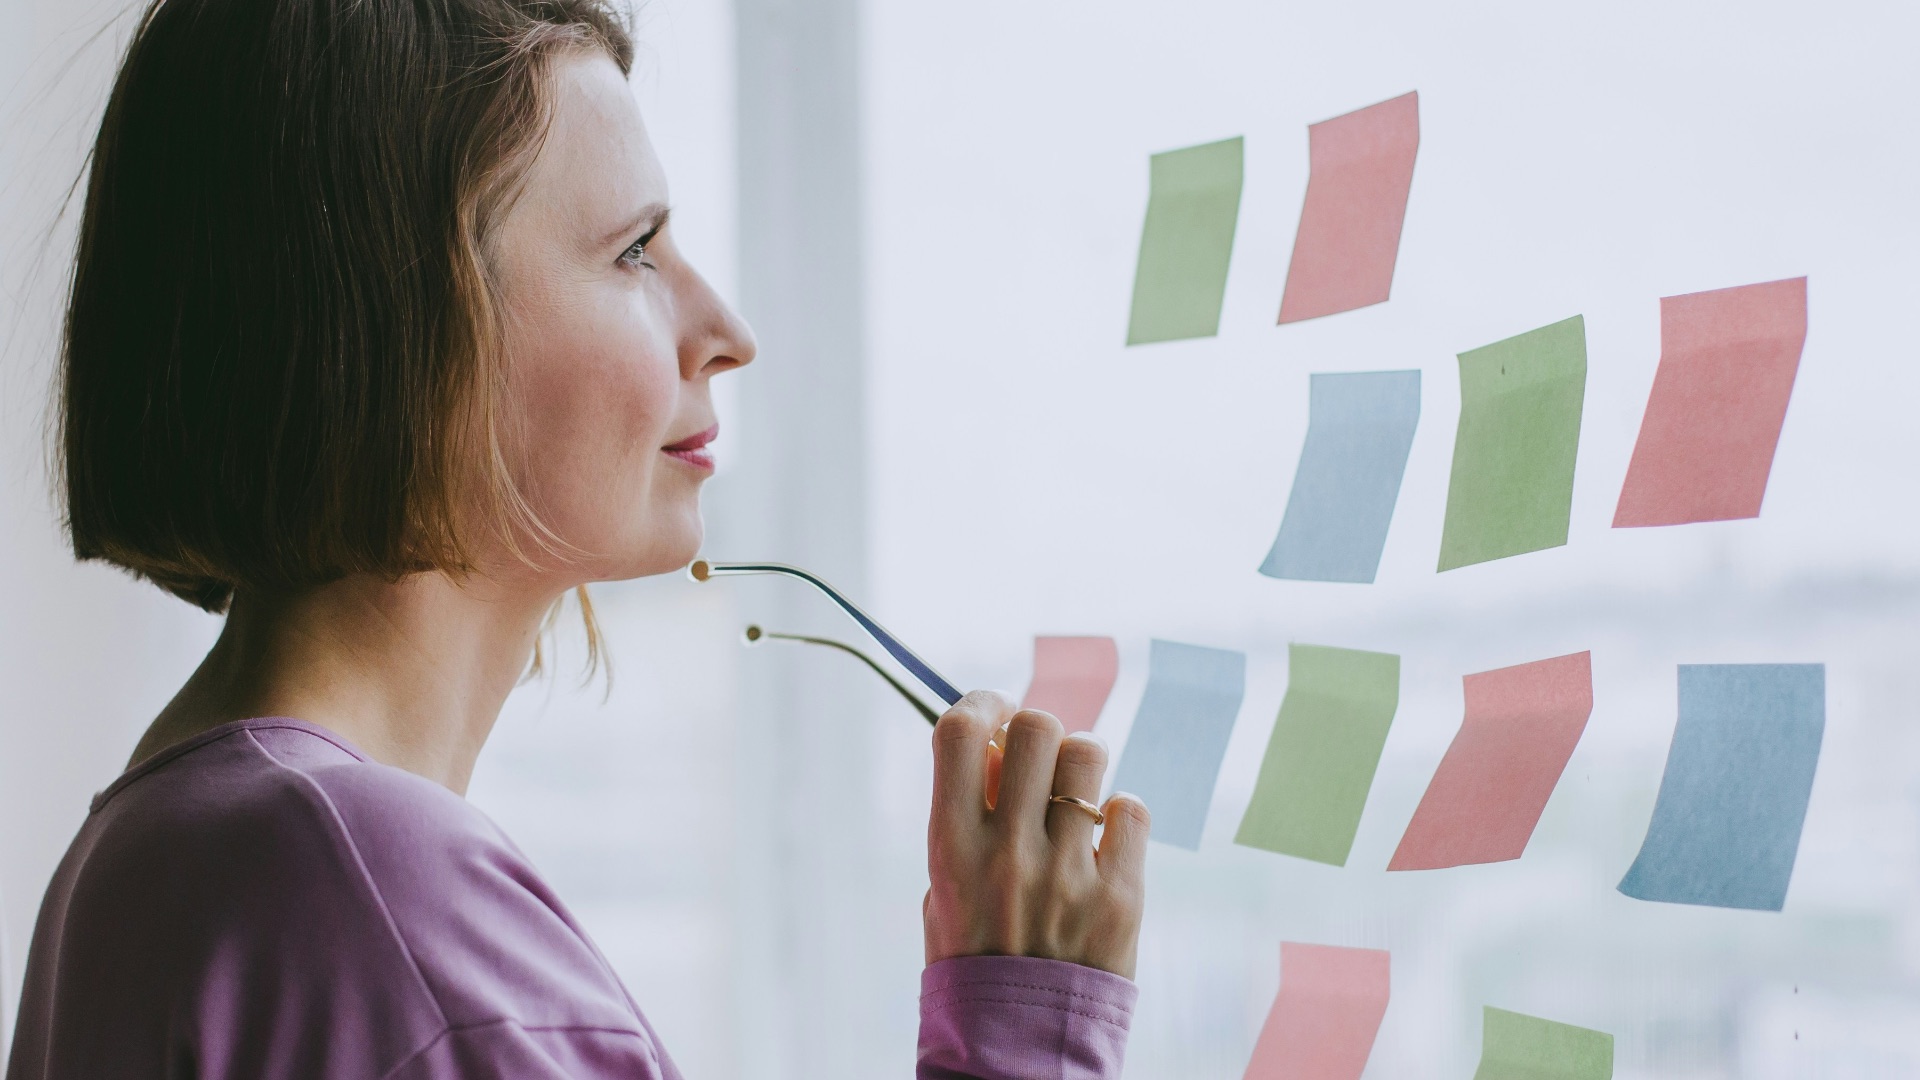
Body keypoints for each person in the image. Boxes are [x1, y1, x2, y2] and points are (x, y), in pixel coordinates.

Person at [5, 1, 1150, 1077]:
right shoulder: (370, 888)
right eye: (635, 250)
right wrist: (1024, 1025)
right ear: (406, 330)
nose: (727, 332)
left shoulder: (153, 854)